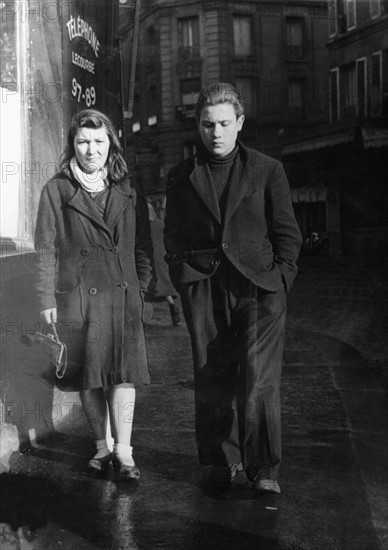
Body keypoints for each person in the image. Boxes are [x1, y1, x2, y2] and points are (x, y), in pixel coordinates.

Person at [164, 83, 302, 495]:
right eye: (208, 124)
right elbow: (172, 236)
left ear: (240, 123)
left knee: (260, 379)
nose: (216, 132)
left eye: (225, 123)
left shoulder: (267, 169)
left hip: (259, 288)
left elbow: (287, 233)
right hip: (205, 287)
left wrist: (281, 280)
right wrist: (182, 275)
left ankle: (263, 470)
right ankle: (218, 461)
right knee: (211, 376)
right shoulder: (180, 175)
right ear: (198, 126)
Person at [34, 109, 155, 481]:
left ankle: (125, 452)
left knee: (122, 375)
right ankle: (102, 447)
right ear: (73, 143)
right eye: (83, 141)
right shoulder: (57, 189)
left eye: (99, 141)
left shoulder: (127, 189)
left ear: (110, 145)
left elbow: (143, 247)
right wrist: (46, 298)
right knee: (90, 377)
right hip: (78, 299)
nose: (91, 150)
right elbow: (45, 247)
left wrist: (141, 288)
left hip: (121, 296)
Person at [147, 199, 180, 326]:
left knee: (147, 285)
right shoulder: (161, 224)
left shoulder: (144, 228)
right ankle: (172, 305)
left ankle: (146, 315)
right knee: (163, 286)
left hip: (150, 258)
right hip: (162, 257)